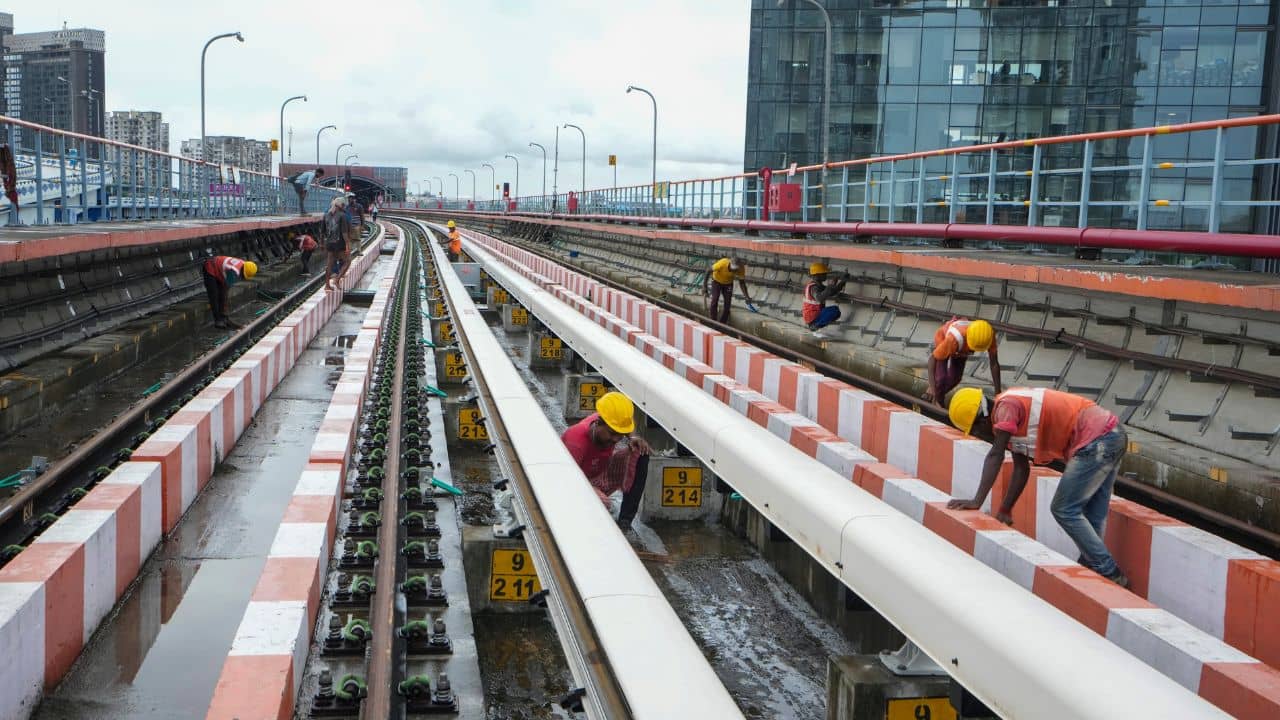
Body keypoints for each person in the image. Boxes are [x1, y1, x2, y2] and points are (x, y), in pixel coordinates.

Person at [945, 387, 1129, 588]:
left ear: (981, 418)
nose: (980, 436)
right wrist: (1005, 510)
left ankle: (1109, 571)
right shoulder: (1010, 419)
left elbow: (995, 455)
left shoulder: (1006, 408)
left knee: (1064, 508)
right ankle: (1092, 566)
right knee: (1092, 511)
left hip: (1099, 439)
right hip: (1111, 433)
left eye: (976, 431)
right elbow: (1021, 468)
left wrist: (976, 500)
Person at [560, 391, 653, 531]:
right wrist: (592, 492)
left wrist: (633, 438)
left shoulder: (609, 422)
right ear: (598, 423)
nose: (616, 439)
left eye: (620, 435)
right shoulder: (576, 440)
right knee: (601, 504)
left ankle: (624, 522)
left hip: (600, 473)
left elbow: (627, 424)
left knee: (641, 452)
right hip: (578, 482)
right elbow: (566, 481)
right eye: (612, 433)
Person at [924, 318, 1002, 404]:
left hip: (961, 349)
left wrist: (998, 393)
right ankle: (935, 400)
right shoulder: (954, 339)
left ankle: (936, 398)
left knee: (955, 379)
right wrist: (932, 387)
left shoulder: (988, 336)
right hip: (944, 340)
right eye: (972, 348)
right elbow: (932, 359)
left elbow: (994, 364)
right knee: (940, 378)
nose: (973, 351)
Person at [201, 255, 257, 329]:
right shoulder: (233, 271)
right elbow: (225, 290)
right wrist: (224, 309)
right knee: (214, 295)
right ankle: (218, 320)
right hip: (210, 267)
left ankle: (224, 318)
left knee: (221, 294)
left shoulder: (243, 264)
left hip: (218, 267)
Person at [703, 257, 758, 323]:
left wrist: (747, 296)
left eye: (736, 270)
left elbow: (742, 283)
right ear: (730, 265)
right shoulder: (723, 263)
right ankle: (713, 321)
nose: (734, 272)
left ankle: (722, 324)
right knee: (715, 299)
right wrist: (704, 286)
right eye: (733, 270)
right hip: (716, 281)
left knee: (727, 305)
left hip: (728, 284)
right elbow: (709, 270)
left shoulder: (741, 268)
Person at [802, 262, 847, 338]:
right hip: (813, 317)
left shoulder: (818, 285)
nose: (826, 275)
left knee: (835, 311)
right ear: (817, 275)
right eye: (824, 274)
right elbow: (820, 297)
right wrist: (830, 286)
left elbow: (832, 292)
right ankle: (815, 327)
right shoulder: (814, 287)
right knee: (834, 311)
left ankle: (816, 326)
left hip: (815, 315)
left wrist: (842, 281)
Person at [323, 196, 353, 291]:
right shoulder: (342, 215)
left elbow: (322, 231)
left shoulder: (326, 215)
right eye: (344, 205)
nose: (344, 207)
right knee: (347, 261)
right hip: (339, 244)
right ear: (341, 205)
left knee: (329, 265)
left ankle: (327, 285)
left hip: (329, 243)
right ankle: (337, 279)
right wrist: (348, 245)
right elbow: (344, 233)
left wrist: (321, 244)